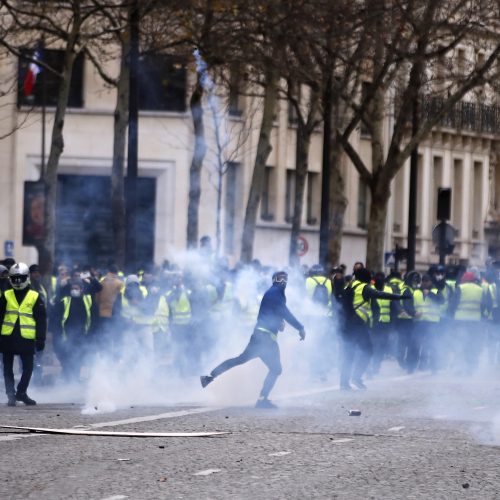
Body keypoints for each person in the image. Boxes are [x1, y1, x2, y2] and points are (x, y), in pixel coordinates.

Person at [200, 271, 306, 409]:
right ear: (274, 280)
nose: (283, 281)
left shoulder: (274, 294)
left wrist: (278, 323)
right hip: (265, 339)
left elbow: (273, 313)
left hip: (260, 337)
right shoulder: (274, 293)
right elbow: (285, 312)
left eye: (285, 278)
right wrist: (300, 327)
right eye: (280, 278)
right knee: (276, 369)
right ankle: (262, 400)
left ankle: (209, 377)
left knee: (240, 359)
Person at [340, 267, 405, 390]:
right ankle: (356, 377)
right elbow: (380, 294)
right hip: (357, 324)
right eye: (369, 276)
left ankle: (344, 383)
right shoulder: (364, 287)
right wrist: (399, 297)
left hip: (348, 325)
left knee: (349, 354)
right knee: (368, 350)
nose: (371, 279)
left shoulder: (349, 286)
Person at [0, 262, 47, 406]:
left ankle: (21, 392)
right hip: (7, 337)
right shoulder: (6, 295)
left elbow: (41, 319)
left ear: (26, 278)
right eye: (15, 278)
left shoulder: (34, 296)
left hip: (26, 338)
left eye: (20, 278)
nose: (18, 281)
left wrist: (41, 338)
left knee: (28, 368)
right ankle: (10, 395)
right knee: (7, 368)